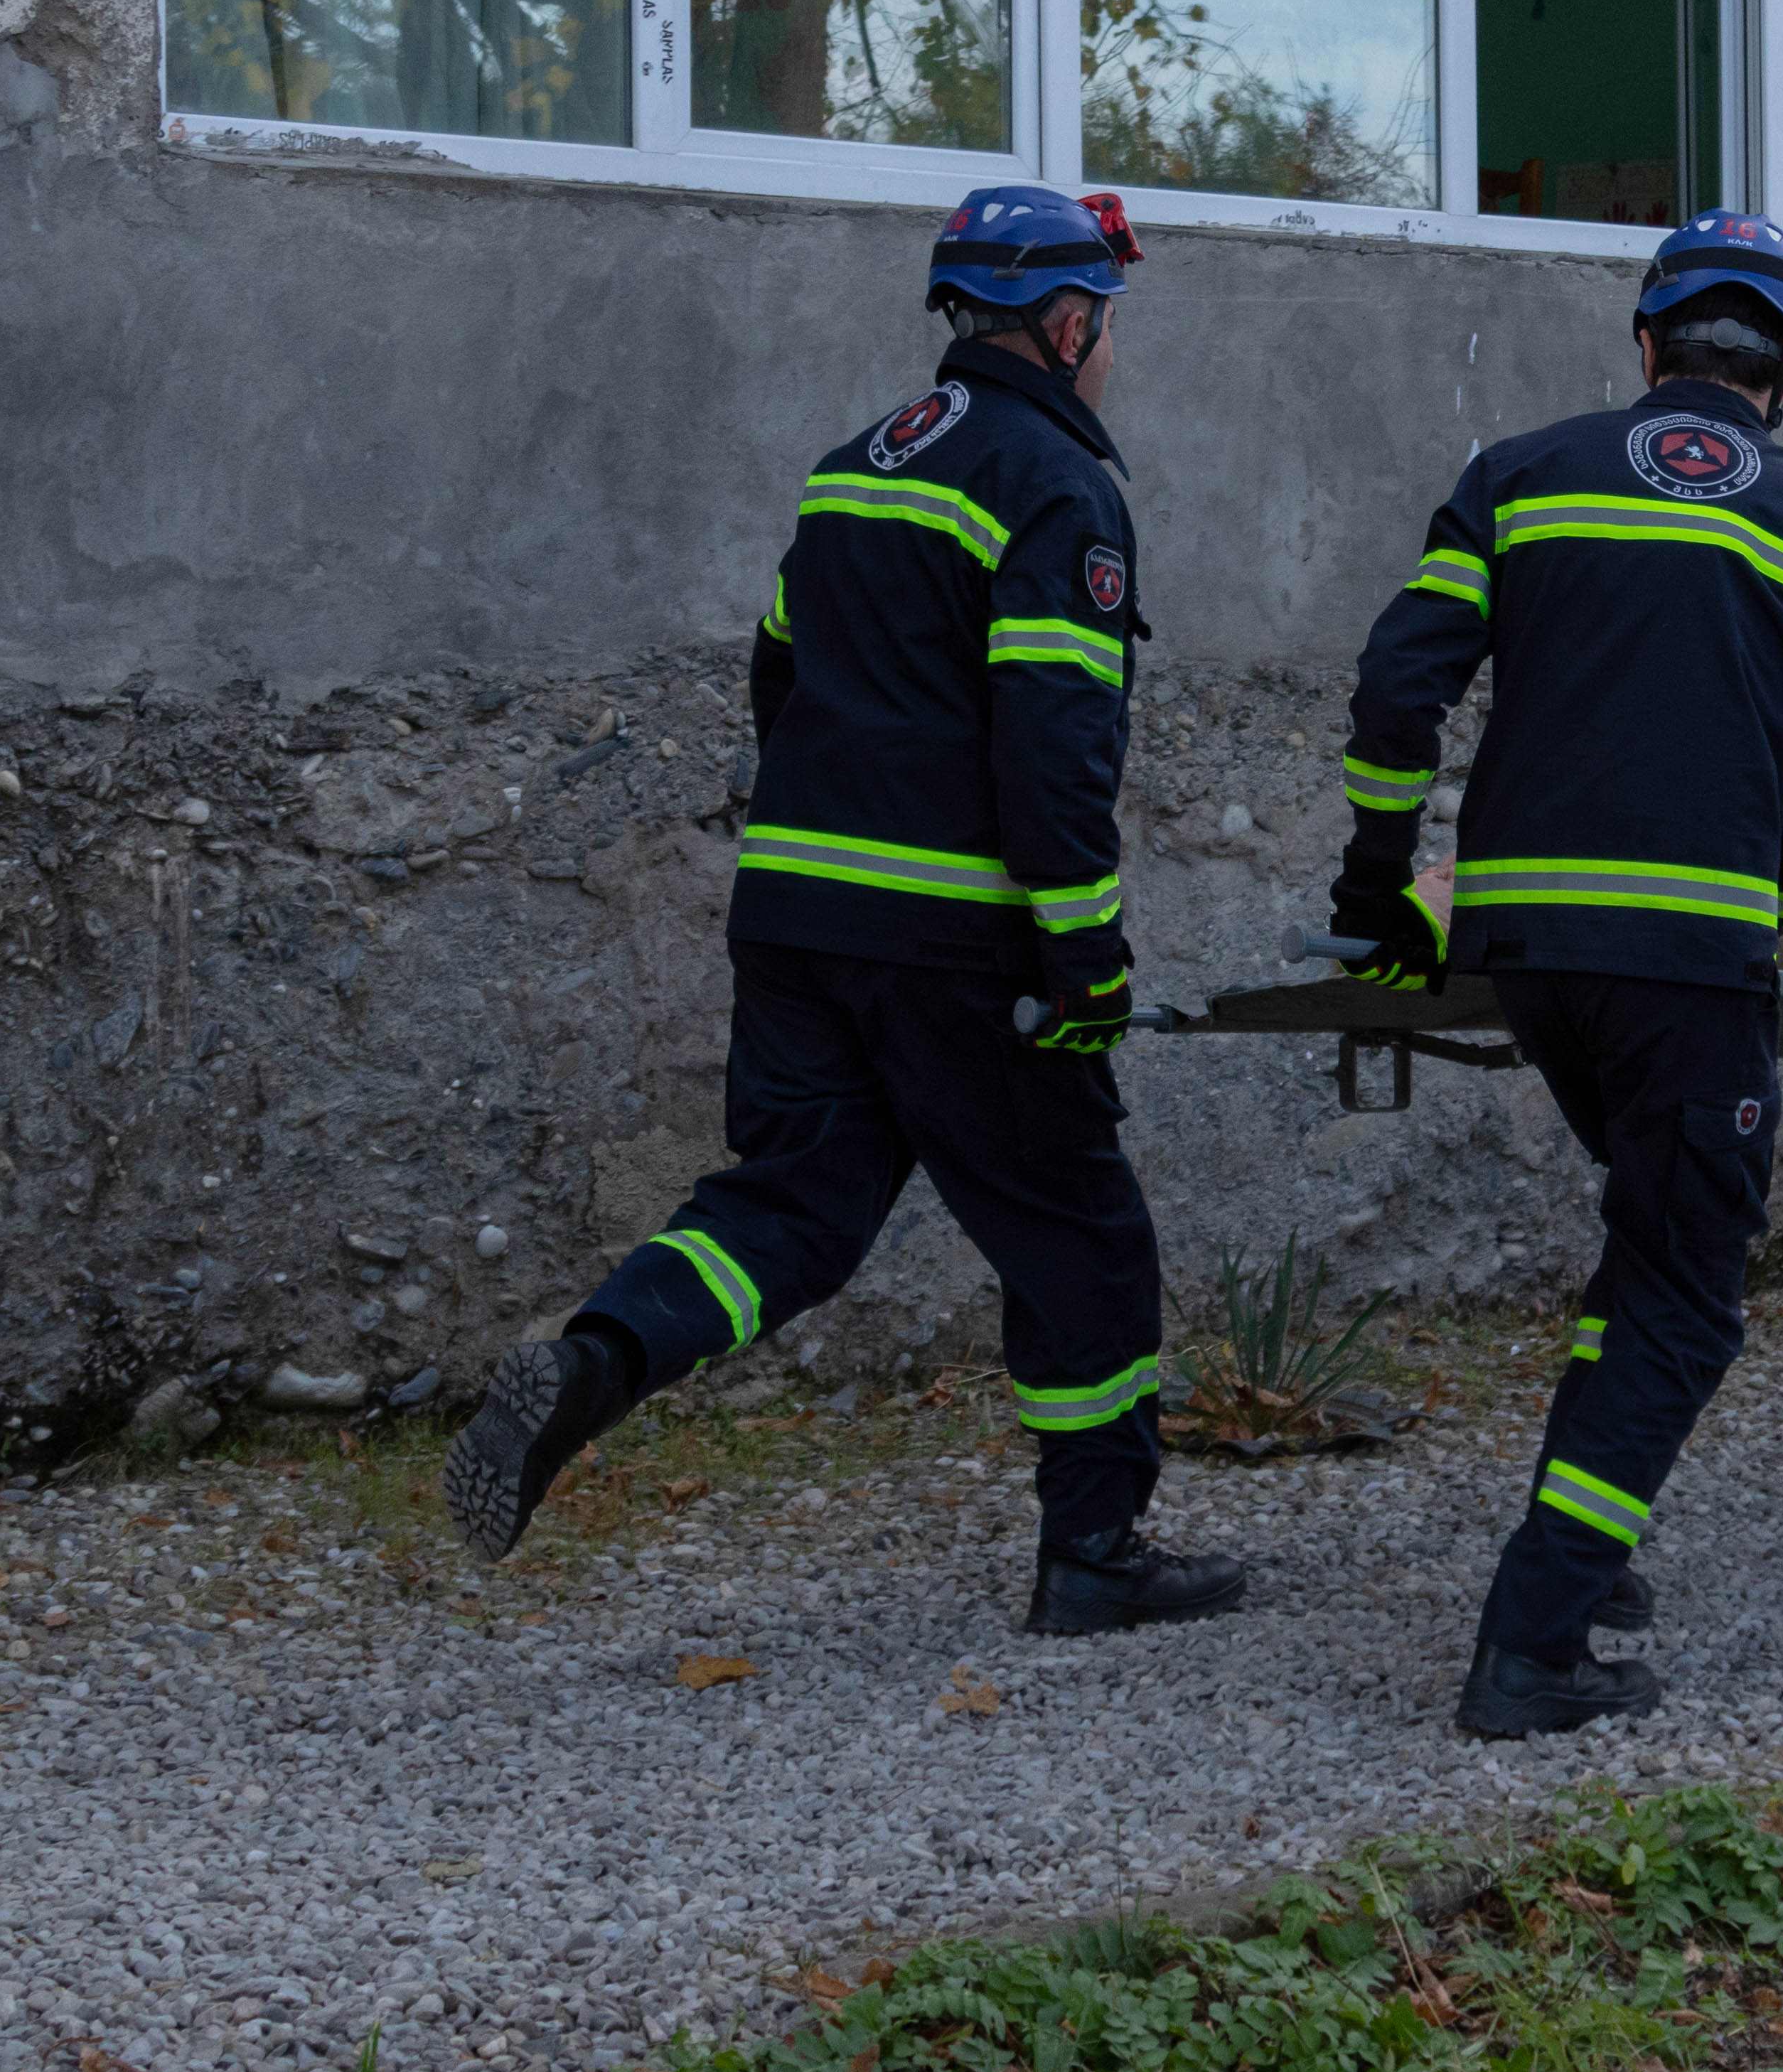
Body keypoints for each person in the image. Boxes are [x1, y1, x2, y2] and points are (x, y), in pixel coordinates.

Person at [444, 187, 1247, 1638]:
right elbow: (1055, 743)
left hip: (796, 920)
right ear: (1069, 326)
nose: (1109, 354)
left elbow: (779, 675)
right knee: (1078, 1232)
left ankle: (598, 1358)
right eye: (1107, 326)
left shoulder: (851, 468)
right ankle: (1095, 1553)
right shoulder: (1054, 484)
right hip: (961, 943)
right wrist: (1085, 952)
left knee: (791, 1203)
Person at [1324, 212, 1783, 1739]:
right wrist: (1773, 900)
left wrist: (1376, 883)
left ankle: (1593, 1551)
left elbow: (1397, 687)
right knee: (1693, 1294)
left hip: (1527, 952)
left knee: (1648, 1244)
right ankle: (1534, 1638)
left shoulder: (1517, 476)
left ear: (1649, 344)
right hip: (1691, 963)